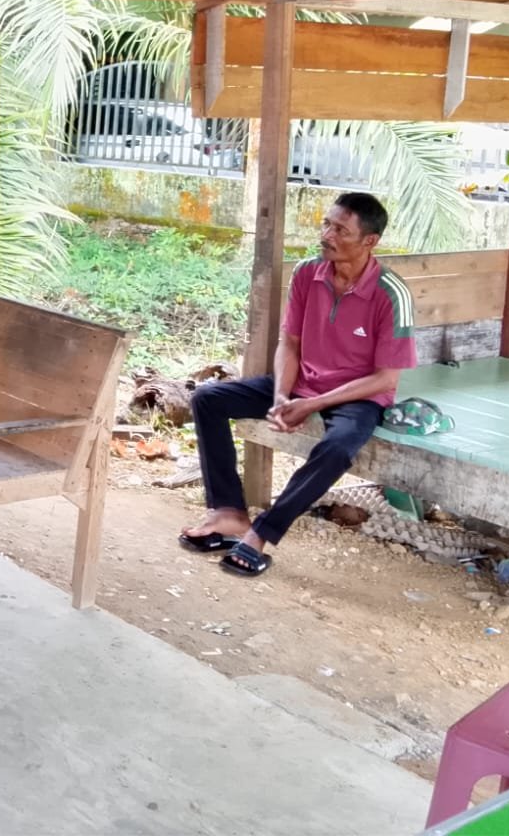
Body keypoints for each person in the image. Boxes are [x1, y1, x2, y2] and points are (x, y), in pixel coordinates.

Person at [178, 192, 416, 577]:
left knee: (337, 448)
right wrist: (281, 397)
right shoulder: (308, 272)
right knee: (208, 399)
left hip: (359, 394)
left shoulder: (391, 293)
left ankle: (261, 533)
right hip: (303, 381)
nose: (327, 235)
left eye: (340, 230)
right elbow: (289, 342)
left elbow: (385, 378)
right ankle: (228, 513)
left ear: (370, 241)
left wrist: (312, 405)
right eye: (326, 224)